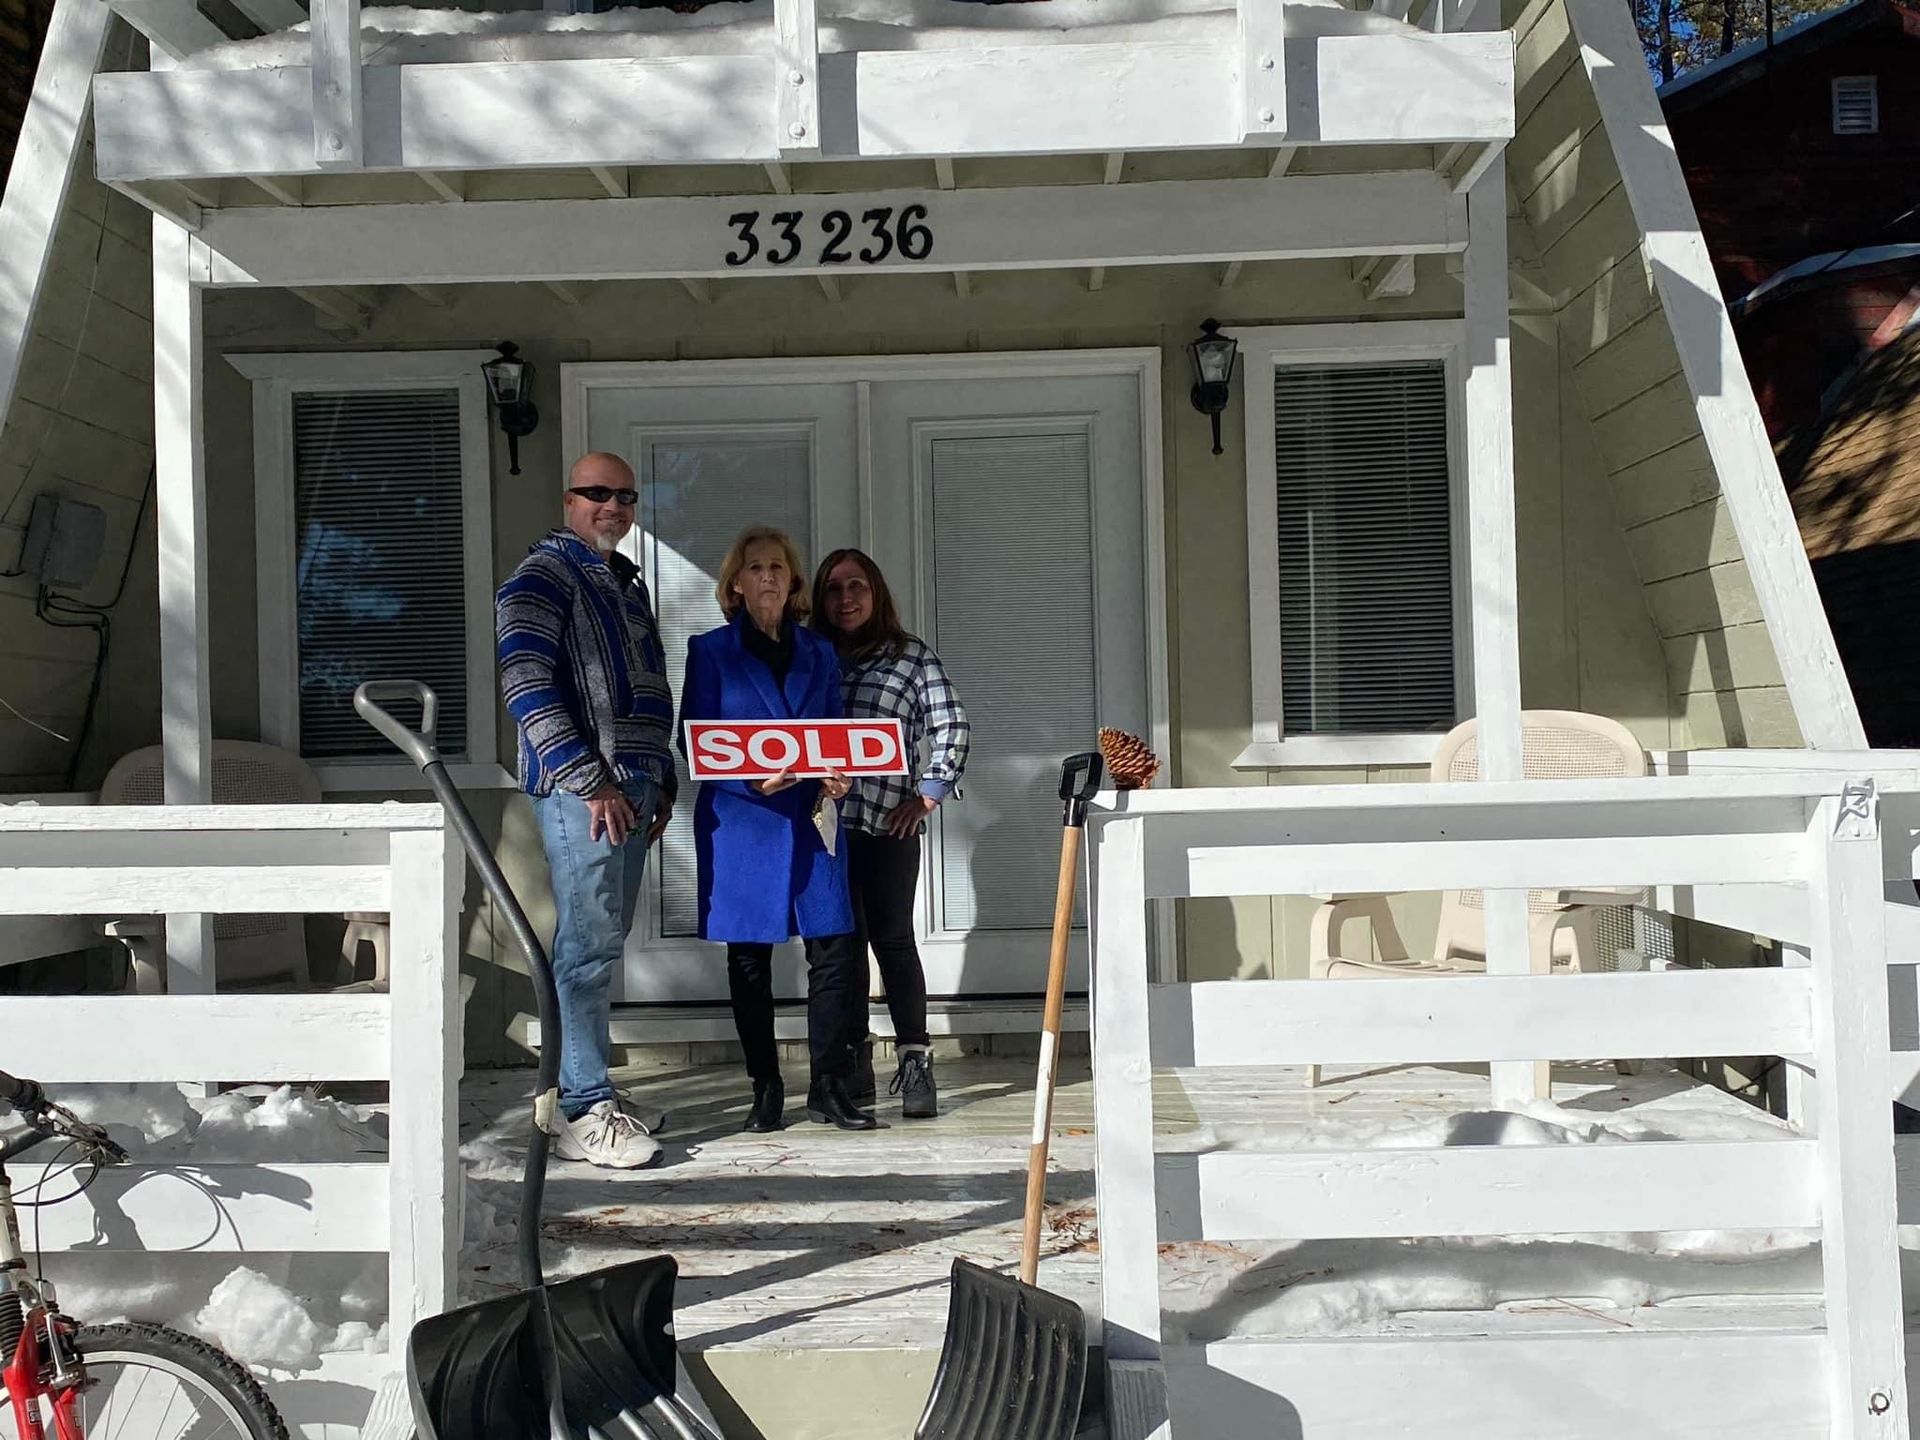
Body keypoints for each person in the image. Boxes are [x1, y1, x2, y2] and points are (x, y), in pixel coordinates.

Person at [497, 452, 674, 1169]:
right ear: (568, 500)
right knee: (587, 944)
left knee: (604, 940)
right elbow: (524, 681)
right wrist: (589, 780)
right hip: (585, 792)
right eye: (598, 493)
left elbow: (647, 689)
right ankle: (578, 1105)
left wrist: (655, 780)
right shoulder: (543, 576)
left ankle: (590, 1087)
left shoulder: (622, 584)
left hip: (629, 785)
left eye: (626, 496)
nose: (614, 506)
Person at [680, 526, 875, 1133]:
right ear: (735, 583)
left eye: (778, 567)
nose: (767, 576)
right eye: (755, 567)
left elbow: (834, 730)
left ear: (792, 582)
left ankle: (827, 1085)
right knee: (749, 958)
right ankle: (764, 1086)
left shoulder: (818, 651)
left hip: (812, 818)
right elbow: (696, 741)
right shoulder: (710, 651)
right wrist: (748, 782)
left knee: (835, 948)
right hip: (743, 822)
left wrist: (838, 776)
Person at [811, 549, 970, 1119]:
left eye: (857, 586)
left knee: (893, 942)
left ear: (875, 593)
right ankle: (852, 1065)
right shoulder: (811, 656)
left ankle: (915, 1061)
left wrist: (927, 793)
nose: (846, 598)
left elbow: (951, 725)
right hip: (826, 829)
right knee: (841, 950)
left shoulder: (910, 658)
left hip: (885, 826)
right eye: (833, 589)